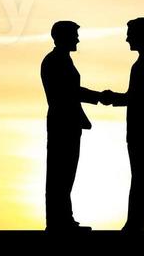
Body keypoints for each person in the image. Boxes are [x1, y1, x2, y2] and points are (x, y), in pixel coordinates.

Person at [90, 17, 144, 231]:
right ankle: (140, 223)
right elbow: (137, 97)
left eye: (130, 33)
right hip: (141, 131)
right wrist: (115, 99)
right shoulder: (143, 63)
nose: (127, 38)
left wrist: (115, 98)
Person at [35, 20, 106, 231]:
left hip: (68, 122)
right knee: (60, 173)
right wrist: (99, 97)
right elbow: (69, 92)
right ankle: (59, 222)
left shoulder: (61, 60)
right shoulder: (55, 61)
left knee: (66, 173)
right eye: (74, 35)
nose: (77, 39)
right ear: (62, 37)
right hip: (62, 122)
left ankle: (64, 219)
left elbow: (71, 91)